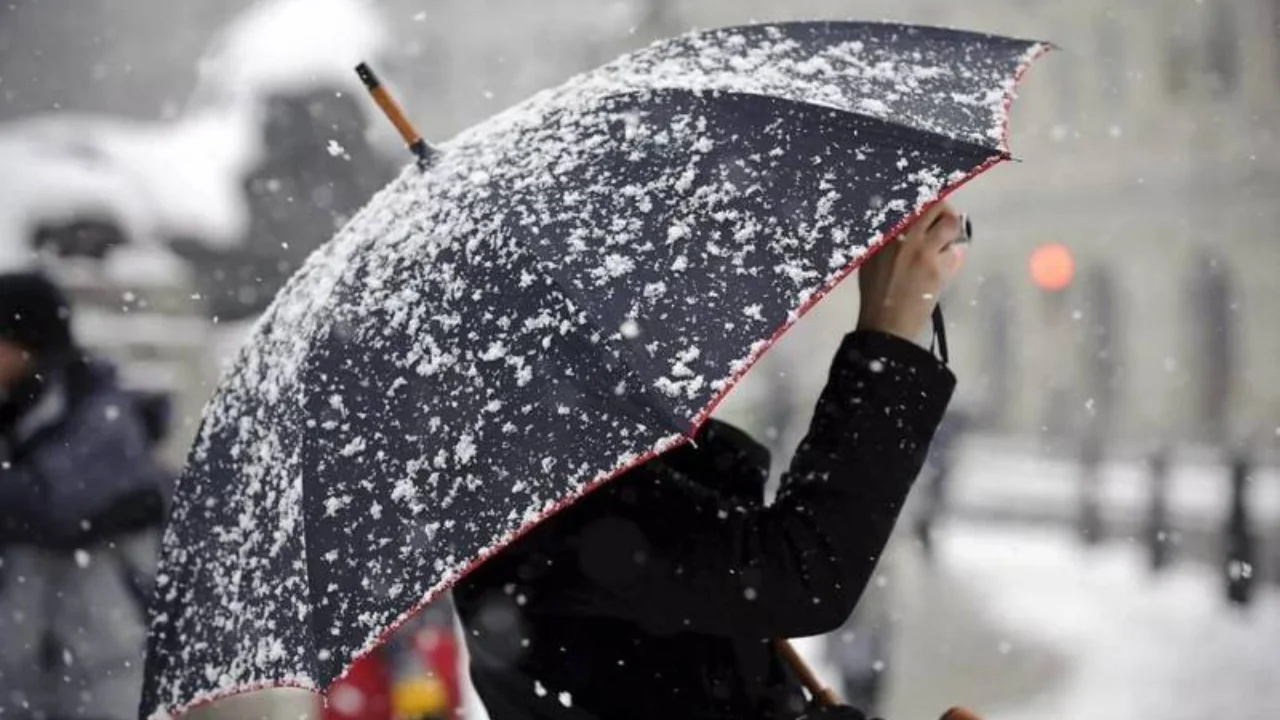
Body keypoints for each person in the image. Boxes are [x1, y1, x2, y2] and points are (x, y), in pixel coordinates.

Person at [455, 204, 964, 720]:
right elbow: (802, 574)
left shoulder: (610, 470)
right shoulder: (551, 499)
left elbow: (739, 699)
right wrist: (889, 332)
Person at [0, 271, 169, 720]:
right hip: (19, 662)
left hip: (102, 656)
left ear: (27, 341)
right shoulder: (15, 410)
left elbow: (56, 509)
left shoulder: (99, 412)